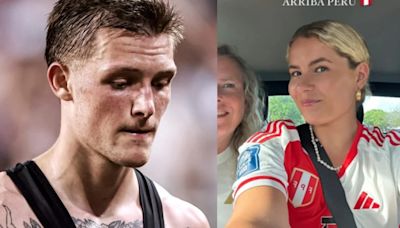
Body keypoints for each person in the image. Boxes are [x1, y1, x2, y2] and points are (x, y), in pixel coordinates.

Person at [0, 0, 210, 227]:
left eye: (160, 83)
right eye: (121, 83)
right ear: (62, 81)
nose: (146, 107)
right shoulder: (6, 208)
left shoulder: (184, 221)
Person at [227, 20, 400, 227]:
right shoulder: (275, 143)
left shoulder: (391, 150)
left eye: (320, 69)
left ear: (360, 76)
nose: (302, 85)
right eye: (296, 73)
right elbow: (254, 219)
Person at [217, 45, 265, 228]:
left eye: (228, 86)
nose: (216, 96)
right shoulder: (155, 164)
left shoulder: (264, 165)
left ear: (246, 100)